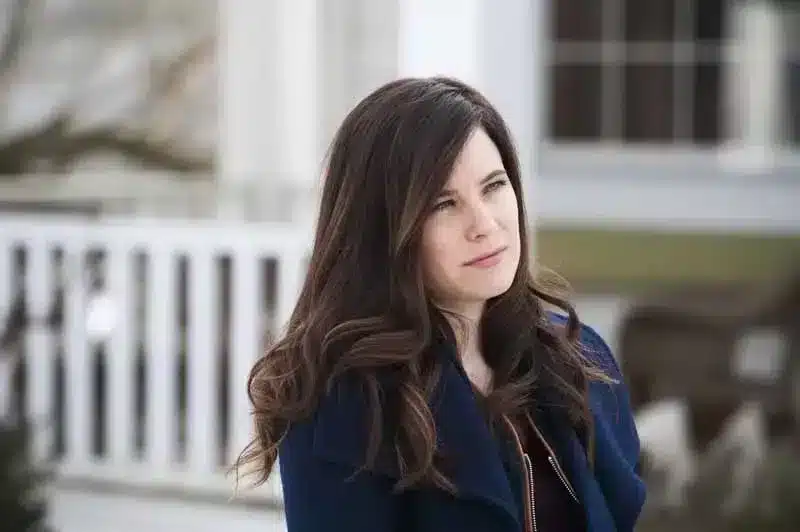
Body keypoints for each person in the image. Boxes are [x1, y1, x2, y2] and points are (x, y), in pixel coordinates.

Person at [236, 77, 645, 532]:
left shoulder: (580, 359)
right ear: (383, 229)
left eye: (493, 186)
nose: (484, 224)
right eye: (444, 204)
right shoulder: (346, 402)